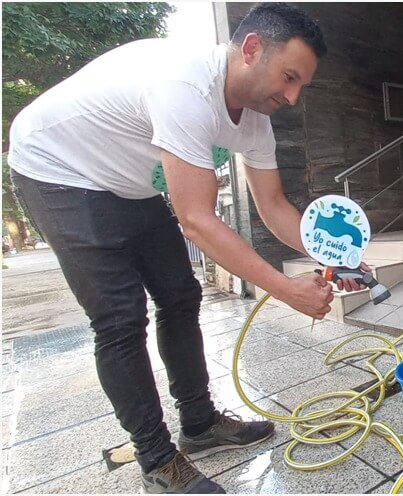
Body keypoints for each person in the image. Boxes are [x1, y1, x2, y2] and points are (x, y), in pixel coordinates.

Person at [8, 3, 366, 493]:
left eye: (301, 84)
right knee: (119, 318)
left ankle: (199, 424)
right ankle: (157, 458)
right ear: (251, 48)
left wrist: (336, 256)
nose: (292, 96)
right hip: (58, 170)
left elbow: (275, 206)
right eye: (289, 77)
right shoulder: (185, 87)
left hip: (130, 184)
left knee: (180, 295)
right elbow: (197, 220)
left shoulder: (255, 120)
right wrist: (286, 289)